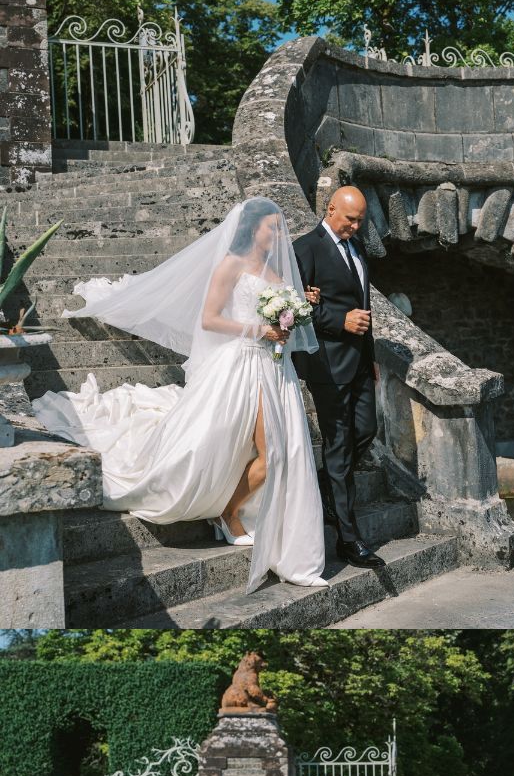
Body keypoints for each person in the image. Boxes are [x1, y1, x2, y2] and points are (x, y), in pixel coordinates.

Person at [33, 199, 327, 592]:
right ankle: (228, 513)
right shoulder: (231, 265)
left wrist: (295, 314)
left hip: (275, 368)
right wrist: (258, 331)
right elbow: (209, 319)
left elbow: (278, 319)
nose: (277, 235)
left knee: (282, 451)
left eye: (278, 228)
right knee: (271, 449)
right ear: (252, 229)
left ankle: (239, 513)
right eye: (270, 228)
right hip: (242, 363)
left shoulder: (274, 269)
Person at [292, 186, 386, 570]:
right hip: (327, 364)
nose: (356, 226)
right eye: (350, 219)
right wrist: (337, 320)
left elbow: (363, 305)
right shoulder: (305, 249)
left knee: (366, 431)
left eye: (361, 220)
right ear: (330, 209)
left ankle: (327, 486)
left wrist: (372, 354)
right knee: (339, 447)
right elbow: (292, 310)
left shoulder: (358, 247)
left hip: (360, 362)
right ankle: (349, 539)